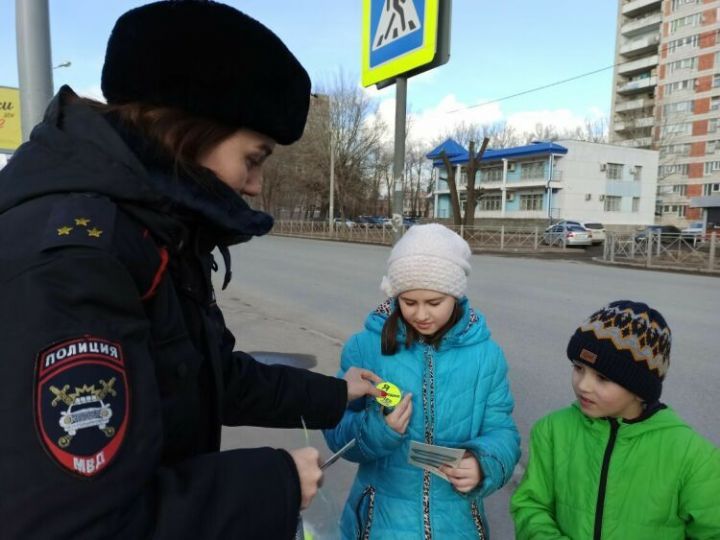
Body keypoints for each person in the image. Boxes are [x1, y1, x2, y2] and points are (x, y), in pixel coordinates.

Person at [0, 1, 382, 538]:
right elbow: (77, 525)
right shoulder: (78, 260)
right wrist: (274, 483)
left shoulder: (149, 232)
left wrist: (335, 395)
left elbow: (206, 374)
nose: (254, 186)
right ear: (189, 132)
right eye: (254, 158)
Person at [323, 223, 521, 539]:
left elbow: (502, 431)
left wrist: (484, 464)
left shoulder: (486, 355)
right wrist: (380, 431)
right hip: (380, 523)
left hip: (456, 524)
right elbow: (336, 431)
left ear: (455, 296)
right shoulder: (365, 348)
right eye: (409, 302)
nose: (421, 315)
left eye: (434, 302)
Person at [510, 300, 720, 539]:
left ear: (639, 388)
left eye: (602, 377)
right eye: (578, 368)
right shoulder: (551, 431)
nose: (583, 385)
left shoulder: (693, 457)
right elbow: (531, 505)